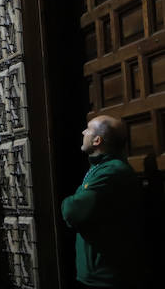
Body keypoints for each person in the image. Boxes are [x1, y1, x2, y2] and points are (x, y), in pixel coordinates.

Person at [61, 115, 143, 289]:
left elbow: (72, 210)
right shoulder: (99, 168)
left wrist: (68, 203)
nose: (83, 132)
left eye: (88, 129)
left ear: (97, 140)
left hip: (106, 277)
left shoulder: (112, 171)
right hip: (97, 273)